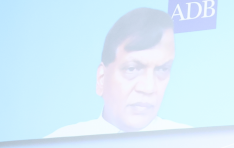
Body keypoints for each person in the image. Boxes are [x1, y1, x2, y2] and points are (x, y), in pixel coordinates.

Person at [46, 7, 190, 138]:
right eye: (132, 69)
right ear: (101, 78)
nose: (149, 88)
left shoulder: (190, 143)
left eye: (162, 69)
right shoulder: (55, 145)